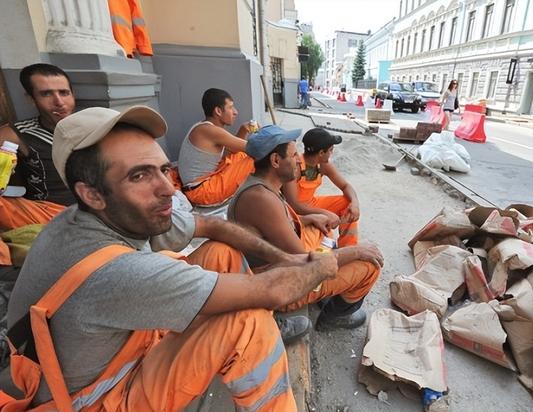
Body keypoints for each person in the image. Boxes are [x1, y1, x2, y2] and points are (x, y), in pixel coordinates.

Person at [5, 106, 340, 411]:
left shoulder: (98, 214)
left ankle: (259, 338)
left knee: (221, 252)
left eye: (164, 169)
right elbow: (273, 291)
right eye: (139, 175)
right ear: (91, 194)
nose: (168, 188)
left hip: (110, 346)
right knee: (246, 324)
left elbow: (212, 225)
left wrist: (286, 258)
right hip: (98, 397)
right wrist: (322, 264)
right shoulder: (118, 272)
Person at [227, 125, 383, 330]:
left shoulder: (262, 187)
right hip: (278, 284)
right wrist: (355, 251)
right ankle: (335, 316)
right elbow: (304, 262)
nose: (298, 161)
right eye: (293, 155)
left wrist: (309, 219)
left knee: (321, 228)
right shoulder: (262, 198)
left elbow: (279, 226)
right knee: (370, 266)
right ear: (275, 161)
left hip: (277, 267)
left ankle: (329, 286)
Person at [0, 64, 76, 271]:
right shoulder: (16, 134)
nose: (59, 102)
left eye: (64, 93)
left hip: (95, 209)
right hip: (45, 212)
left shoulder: (93, 126)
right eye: (46, 94)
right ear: (31, 99)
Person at [282, 127, 359, 247]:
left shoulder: (323, 165)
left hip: (312, 203)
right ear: (321, 153)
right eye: (330, 150)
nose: (331, 154)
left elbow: (345, 186)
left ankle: (348, 246)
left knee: (347, 202)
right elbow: (294, 205)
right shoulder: (296, 167)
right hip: (295, 212)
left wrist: (355, 203)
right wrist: (324, 213)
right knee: (313, 239)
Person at [177, 88, 255, 206]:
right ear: (218, 111)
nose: (235, 112)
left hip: (199, 186)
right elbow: (255, 148)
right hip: (201, 191)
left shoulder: (203, 127)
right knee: (256, 159)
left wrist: (243, 130)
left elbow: (234, 150)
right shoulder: (210, 131)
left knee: (241, 155)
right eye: (230, 107)